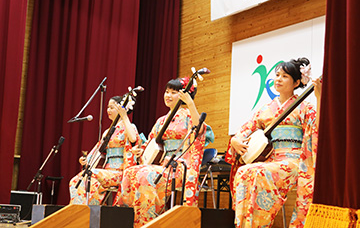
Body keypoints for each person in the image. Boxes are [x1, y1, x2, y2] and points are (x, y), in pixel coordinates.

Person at [225, 57, 322, 227]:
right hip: (271, 158)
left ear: (296, 82)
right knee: (244, 171)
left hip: (294, 160)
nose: (278, 79)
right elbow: (245, 129)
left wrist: (319, 97)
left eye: (284, 76)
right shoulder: (265, 109)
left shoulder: (305, 107)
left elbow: (317, 128)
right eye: (277, 75)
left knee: (259, 172)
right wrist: (236, 140)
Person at [114, 77, 214, 227]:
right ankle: (132, 219)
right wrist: (140, 151)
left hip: (180, 165)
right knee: (131, 172)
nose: (168, 95)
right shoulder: (161, 120)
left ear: (183, 95)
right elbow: (150, 144)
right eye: (167, 92)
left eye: (173, 92)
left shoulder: (188, 115)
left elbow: (198, 130)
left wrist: (191, 103)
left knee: (145, 175)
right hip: (162, 164)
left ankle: (147, 222)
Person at [69, 95, 140, 205]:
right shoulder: (107, 131)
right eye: (108, 107)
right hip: (106, 171)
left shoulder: (129, 126)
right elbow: (97, 150)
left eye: (112, 107)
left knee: (91, 176)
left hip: (120, 172)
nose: (108, 110)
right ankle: (80, 211)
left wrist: (125, 117)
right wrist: (86, 160)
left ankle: (88, 211)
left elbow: (133, 139)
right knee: (75, 181)